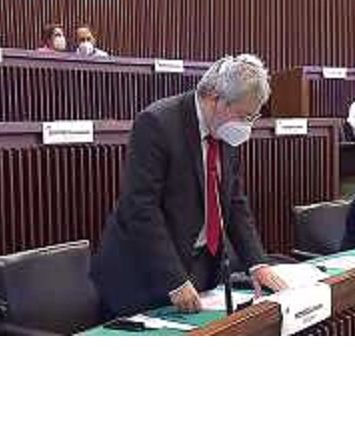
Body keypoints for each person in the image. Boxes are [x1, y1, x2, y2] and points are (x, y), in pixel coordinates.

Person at [90, 54, 287, 318]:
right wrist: (174, 280)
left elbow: (234, 201)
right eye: (243, 116)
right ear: (215, 98)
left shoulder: (225, 131)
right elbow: (140, 208)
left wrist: (257, 263)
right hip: (143, 274)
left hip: (197, 267)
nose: (246, 126)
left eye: (252, 118)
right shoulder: (157, 123)